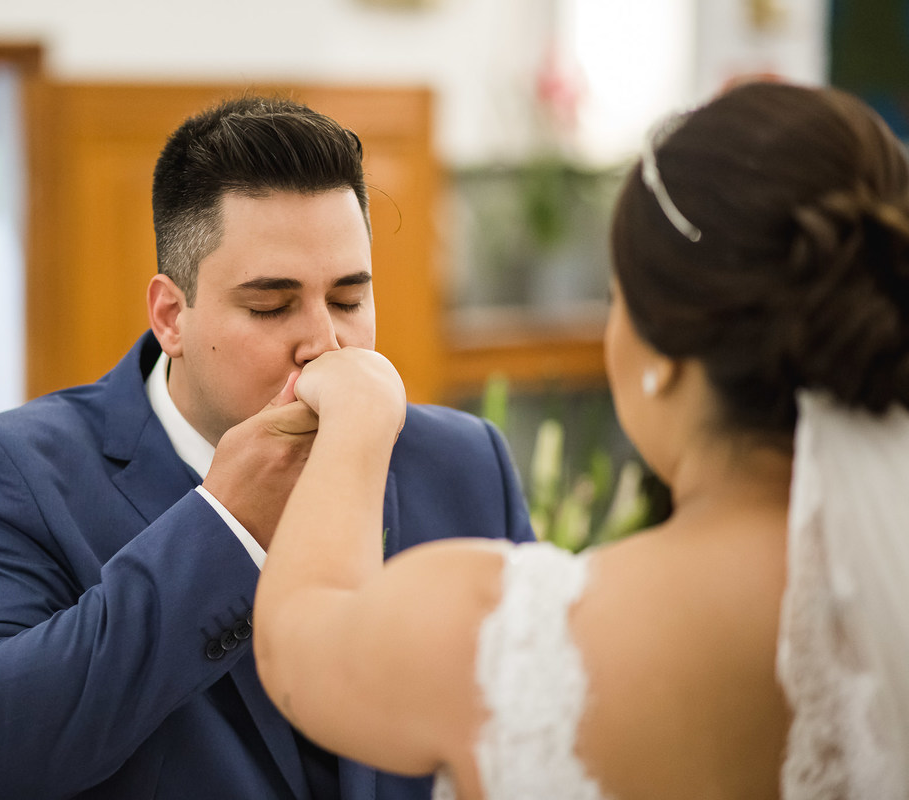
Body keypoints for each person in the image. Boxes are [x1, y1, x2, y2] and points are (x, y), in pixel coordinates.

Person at [253, 81, 909, 799]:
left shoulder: (502, 634)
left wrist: (358, 413)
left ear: (663, 354)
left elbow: (295, 632)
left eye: (614, 298)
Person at [0, 96, 534, 800]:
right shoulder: (3, 474)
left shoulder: (464, 463)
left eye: (348, 299)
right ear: (172, 317)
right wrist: (226, 525)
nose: (324, 342)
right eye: (272, 306)